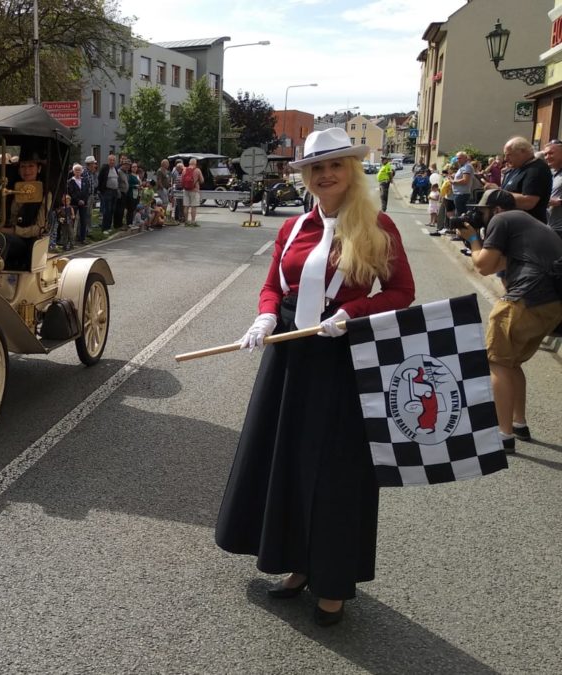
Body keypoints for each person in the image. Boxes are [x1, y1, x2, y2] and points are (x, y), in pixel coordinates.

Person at [216, 127, 415, 627]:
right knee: (283, 461)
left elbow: (401, 291)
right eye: (317, 168)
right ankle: (296, 565)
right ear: (306, 175)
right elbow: (270, 286)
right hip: (287, 358)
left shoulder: (378, 224)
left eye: (336, 166)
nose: (326, 176)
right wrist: (264, 317)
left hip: (341, 360)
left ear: (352, 172)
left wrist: (354, 311)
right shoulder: (293, 227)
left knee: (333, 473)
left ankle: (333, 581)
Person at [454, 189, 562, 452]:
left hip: (526, 296)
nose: (479, 217)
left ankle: (503, 436)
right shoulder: (526, 223)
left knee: (497, 362)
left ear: (497, 210)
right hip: (551, 303)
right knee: (511, 363)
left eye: (482, 212)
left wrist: (472, 239)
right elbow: (500, 263)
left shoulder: (504, 220)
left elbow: (485, 266)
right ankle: (518, 423)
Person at [0, 152, 50, 269]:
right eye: (23, 166)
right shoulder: (9, 190)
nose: (26, 171)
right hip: (6, 233)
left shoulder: (45, 194)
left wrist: (13, 231)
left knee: (2, 238)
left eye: (31, 166)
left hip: (27, 241)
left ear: (39, 169)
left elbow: (39, 228)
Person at [500, 137, 552, 223]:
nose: (505, 159)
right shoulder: (517, 167)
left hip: (527, 228)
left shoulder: (537, 169)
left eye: (509, 155)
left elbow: (528, 202)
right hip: (512, 225)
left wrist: (497, 192)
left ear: (523, 151)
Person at [67, 163, 91, 244]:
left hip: (83, 203)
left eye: (79, 170)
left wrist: (84, 200)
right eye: (76, 170)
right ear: (73, 171)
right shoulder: (70, 181)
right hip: (74, 203)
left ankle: (82, 238)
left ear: (81, 171)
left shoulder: (85, 180)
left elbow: (87, 191)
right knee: (72, 221)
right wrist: (78, 201)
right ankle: (71, 240)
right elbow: (71, 192)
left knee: (83, 221)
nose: (78, 171)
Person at [546, 139, 562, 239]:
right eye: (546, 154)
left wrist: (559, 202)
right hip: (550, 227)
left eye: (551, 153)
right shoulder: (551, 173)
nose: (547, 157)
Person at [182, 158, 203, 223]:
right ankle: (193, 221)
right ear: (195, 163)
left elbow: (182, 180)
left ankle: (186, 221)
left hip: (185, 190)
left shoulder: (184, 170)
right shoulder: (197, 170)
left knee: (186, 206)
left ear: (189, 163)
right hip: (194, 190)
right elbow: (202, 180)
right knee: (193, 206)